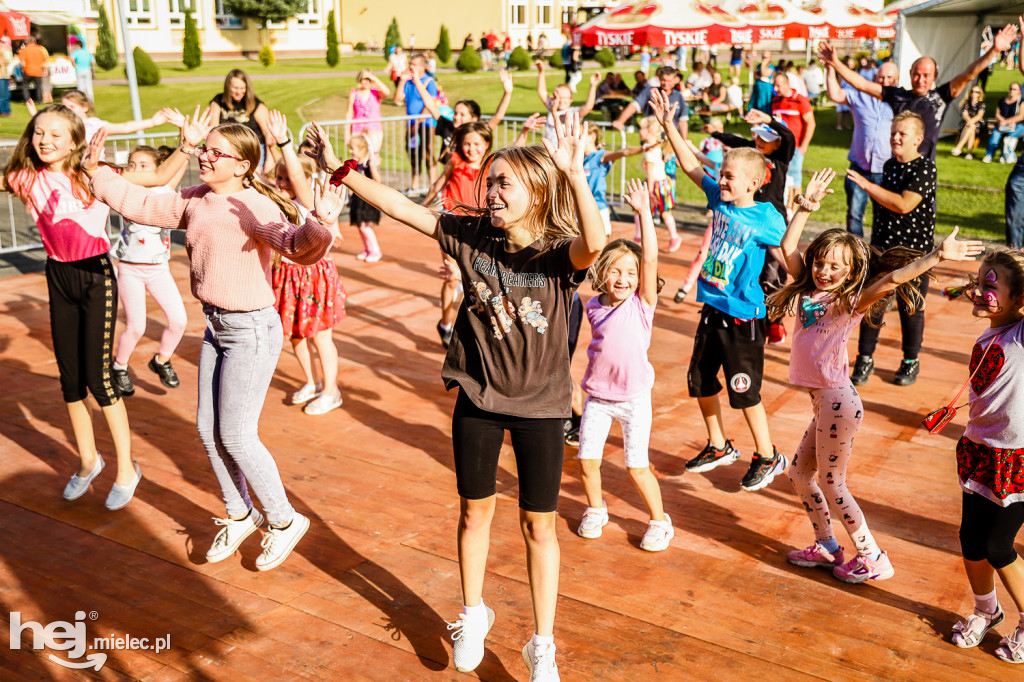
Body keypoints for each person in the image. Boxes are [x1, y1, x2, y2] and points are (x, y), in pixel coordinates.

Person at [303, 110, 606, 681]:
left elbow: (596, 241)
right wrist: (338, 169)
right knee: (474, 512)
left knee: (538, 525)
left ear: (537, 193)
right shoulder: (469, 235)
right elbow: (399, 207)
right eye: (489, 181)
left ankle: (543, 644)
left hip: (541, 410)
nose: (490, 191)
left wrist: (574, 172)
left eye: (503, 184)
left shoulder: (558, 253)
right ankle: (473, 611)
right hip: (479, 400)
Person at [85, 122, 342, 570]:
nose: (205, 155)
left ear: (242, 165)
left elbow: (296, 246)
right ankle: (240, 512)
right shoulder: (196, 197)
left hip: (251, 331)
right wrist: (97, 172)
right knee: (208, 429)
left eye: (216, 152)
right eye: (205, 148)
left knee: (238, 435)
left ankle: (284, 520)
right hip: (217, 328)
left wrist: (320, 223)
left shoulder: (255, 205)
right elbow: (144, 203)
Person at [771, 170, 984, 584]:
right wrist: (803, 206)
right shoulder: (806, 290)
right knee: (799, 473)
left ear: (851, 273)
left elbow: (891, 279)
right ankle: (827, 545)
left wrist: (936, 257)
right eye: (820, 262)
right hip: (825, 404)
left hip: (838, 402)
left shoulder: (849, 301)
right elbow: (788, 245)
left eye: (835, 266)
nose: (824, 270)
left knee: (833, 483)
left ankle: (871, 555)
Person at [2, 104, 201, 510]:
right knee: (71, 380)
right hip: (58, 277)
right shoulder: (23, 177)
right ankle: (89, 461)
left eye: (56, 134)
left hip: (95, 277)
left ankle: (127, 468)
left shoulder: (97, 175)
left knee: (100, 377)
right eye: (39, 132)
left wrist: (187, 145)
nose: (45, 141)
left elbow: (160, 176)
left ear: (75, 140)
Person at [649, 88, 789, 491]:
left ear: (754, 182)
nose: (721, 180)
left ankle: (767, 454)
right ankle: (718, 444)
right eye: (722, 174)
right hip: (712, 308)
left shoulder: (767, 217)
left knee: (744, 391)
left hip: (744, 315)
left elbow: (786, 256)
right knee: (700, 381)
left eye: (729, 176)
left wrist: (808, 289)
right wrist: (668, 126)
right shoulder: (720, 201)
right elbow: (692, 165)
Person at [575, 178, 673, 552]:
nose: (624, 279)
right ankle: (596, 510)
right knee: (587, 463)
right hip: (598, 398)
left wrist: (644, 212)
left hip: (634, 400)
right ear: (602, 273)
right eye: (616, 271)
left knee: (637, 467)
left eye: (630, 273)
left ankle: (660, 522)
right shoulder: (593, 305)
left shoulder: (642, 305)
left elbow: (649, 258)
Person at [945, 249, 1024, 665]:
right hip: (979, 451)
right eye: (979, 281)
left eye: (991, 286)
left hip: (1018, 460)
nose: (979, 290)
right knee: (971, 540)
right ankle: (985, 609)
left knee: (997, 545)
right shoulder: (988, 335)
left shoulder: (1021, 335)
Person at [818, 23, 1018, 160]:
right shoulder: (898, 96)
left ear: (934, 77)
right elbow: (862, 84)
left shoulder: (940, 97)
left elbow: (968, 74)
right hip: (895, 168)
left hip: (923, 172)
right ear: (910, 73)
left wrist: (993, 51)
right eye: (917, 74)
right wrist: (835, 63)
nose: (920, 80)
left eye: (926, 75)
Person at [847, 112, 937, 387]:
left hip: (914, 253)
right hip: (883, 248)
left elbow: (903, 204)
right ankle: (865, 357)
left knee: (911, 308)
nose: (895, 138)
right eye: (893, 133)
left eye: (902, 134)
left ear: (918, 140)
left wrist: (866, 185)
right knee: (873, 301)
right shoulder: (889, 165)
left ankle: (910, 360)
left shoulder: (925, 168)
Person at [267, 110, 346, 416]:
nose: (284, 182)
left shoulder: (308, 198)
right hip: (286, 274)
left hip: (313, 275)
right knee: (296, 334)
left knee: (320, 336)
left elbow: (299, 177)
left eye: (288, 177)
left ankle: (331, 390)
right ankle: (310, 382)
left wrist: (285, 142)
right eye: (280, 177)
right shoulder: (275, 198)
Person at [110, 144, 189, 398]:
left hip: (158, 270)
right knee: (136, 327)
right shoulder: (125, 192)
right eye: (132, 165)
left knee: (179, 321)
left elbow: (180, 162)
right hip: (130, 269)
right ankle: (119, 366)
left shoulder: (164, 191)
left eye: (144, 166)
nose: (137, 171)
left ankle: (162, 360)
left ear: (158, 169)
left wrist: (186, 139)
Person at [422, 122, 494, 344]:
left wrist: (524, 132)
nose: (471, 149)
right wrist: (420, 209)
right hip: (452, 227)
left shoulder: (492, 164)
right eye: (467, 144)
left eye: (476, 144)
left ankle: (460, 322)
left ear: (487, 145)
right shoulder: (455, 161)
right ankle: (445, 323)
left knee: (472, 280)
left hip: (480, 230)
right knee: (452, 278)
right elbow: (438, 185)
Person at [825, 61, 897, 237]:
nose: (884, 81)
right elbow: (835, 94)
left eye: (889, 78)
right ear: (875, 77)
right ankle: (857, 254)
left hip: (886, 170)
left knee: (883, 217)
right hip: (859, 168)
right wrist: (829, 69)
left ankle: (877, 254)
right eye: (881, 76)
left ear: (896, 80)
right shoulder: (861, 96)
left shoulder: (900, 102)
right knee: (854, 215)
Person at [582, 124, 649, 235]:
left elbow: (624, 152)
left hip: (597, 208)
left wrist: (644, 148)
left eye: (579, 133)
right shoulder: (581, 159)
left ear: (592, 136)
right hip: (580, 209)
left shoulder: (600, 156)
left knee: (602, 246)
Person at [208, 69, 277, 173]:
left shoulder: (256, 105)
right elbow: (213, 129)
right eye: (235, 88)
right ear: (228, 87)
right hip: (227, 150)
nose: (239, 92)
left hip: (253, 150)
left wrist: (269, 160)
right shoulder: (218, 102)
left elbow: (268, 134)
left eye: (242, 88)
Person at [394, 54, 439, 193]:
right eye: (410, 64)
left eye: (414, 64)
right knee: (413, 153)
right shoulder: (408, 82)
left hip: (426, 124)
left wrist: (417, 123)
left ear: (422, 66)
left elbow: (430, 104)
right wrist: (401, 81)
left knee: (428, 153)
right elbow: (397, 99)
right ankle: (415, 185)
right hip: (411, 124)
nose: (411, 67)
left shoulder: (429, 82)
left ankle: (434, 185)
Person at [771, 71, 815, 208]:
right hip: (778, 147)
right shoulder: (775, 100)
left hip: (795, 147)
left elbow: (811, 123)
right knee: (781, 176)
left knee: (795, 178)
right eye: (775, 86)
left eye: (779, 85)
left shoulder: (800, 100)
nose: (776, 89)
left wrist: (803, 147)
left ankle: (796, 209)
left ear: (787, 84)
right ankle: (786, 206)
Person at [638, 115, 681, 252]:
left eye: (641, 129)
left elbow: (651, 175)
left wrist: (649, 193)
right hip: (661, 183)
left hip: (657, 185)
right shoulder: (653, 147)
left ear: (649, 131)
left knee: (662, 213)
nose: (639, 131)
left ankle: (673, 236)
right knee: (662, 213)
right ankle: (639, 237)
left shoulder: (651, 153)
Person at [612, 66, 689, 140]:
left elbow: (683, 121)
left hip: (671, 137)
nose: (666, 83)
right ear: (659, 78)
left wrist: (684, 140)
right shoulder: (650, 92)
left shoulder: (678, 96)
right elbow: (634, 105)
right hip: (652, 136)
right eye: (664, 80)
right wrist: (620, 121)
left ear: (675, 80)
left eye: (669, 81)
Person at [535, 61, 599, 145]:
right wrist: (541, 72)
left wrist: (593, 86)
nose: (561, 101)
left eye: (565, 98)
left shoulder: (573, 112)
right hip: (550, 153)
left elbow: (588, 106)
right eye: (559, 98)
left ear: (570, 99)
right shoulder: (552, 107)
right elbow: (542, 91)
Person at [346, 134, 384, 262]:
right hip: (357, 200)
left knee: (364, 226)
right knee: (359, 226)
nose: (351, 151)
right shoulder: (355, 164)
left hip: (367, 201)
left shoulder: (368, 164)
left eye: (353, 148)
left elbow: (378, 180)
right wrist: (350, 193)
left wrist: (373, 167)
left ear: (362, 149)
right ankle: (368, 249)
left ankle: (375, 250)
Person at [343, 69, 390, 155]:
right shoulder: (354, 94)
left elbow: (387, 92)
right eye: (365, 79)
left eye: (369, 79)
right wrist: (347, 134)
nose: (367, 81)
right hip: (357, 129)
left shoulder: (375, 93)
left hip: (374, 128)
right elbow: (349, 113)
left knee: (373, 156)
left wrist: (374, 78)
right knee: (358, 156)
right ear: (360, 79)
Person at [984, 83, 1024, 164]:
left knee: (1008, 138)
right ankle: (989, 155)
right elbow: (997, 114)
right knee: (995, 134)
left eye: (1014, 89)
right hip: (1003, 125)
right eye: (1011, 89)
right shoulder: (1002, 100)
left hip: (1018, 125)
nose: (1012, 91)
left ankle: (1005, 155)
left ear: (1019, 91)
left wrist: (1008, 122)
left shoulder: (1021, 102)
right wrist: (1002, 121)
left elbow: (1021, 116)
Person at [951, 85, 987, 160]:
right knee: (971, 128)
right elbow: (964, 114)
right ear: (970, 93)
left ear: (980, 94)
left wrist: (971, 121)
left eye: (977, 92)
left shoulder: (981, 104)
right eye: (972, 91)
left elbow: (979, 116)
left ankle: (959, 147)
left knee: (971, 126)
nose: (974, 93)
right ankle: (969, 153)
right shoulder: (966, 103)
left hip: (978, 123)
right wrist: (969, 121)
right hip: (967, 123)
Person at [17, 36, 47, 104]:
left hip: (28, 71)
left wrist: (23, 69)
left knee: (25, 86)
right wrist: (44, 70)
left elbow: (23, 63)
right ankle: (39, 100)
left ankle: (27, 100)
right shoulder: (40, 49)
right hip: (38, 71)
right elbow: (44, 61)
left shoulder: (24, 50)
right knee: (39, 86)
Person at [70, 38, 95, 103]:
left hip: (79, 70)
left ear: (78, 45)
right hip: (87, 69)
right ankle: (91, 100)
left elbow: (72, 59)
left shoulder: (75, 52)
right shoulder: (87, 52)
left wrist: (74, 65)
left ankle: (81, 100)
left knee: (81, 86)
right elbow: (93, 62)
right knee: (89, 86)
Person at [0, 39, 10, 117]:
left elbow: (7, 62)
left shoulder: (4, 52)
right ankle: (2, 111)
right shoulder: (1, 53)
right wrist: (2, 53)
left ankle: (7, 111)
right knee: (2, 95)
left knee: (7, 95)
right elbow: (1, 63)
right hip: (1, 76)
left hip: (5, 75)